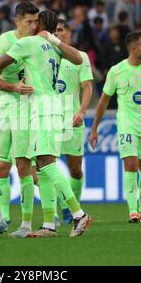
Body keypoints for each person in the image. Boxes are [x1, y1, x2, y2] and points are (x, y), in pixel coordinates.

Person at [0, 10, 92, 238]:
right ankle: (48, 225)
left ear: (39, 25)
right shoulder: (53, 45)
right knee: (44, 167)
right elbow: (79, 58)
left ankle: (78, 214)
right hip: (52, 107)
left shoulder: (28, 43)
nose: (32, 24)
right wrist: (54, 39)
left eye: (35, 21)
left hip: (42, 108)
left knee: (46, 163)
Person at [89, 32, 141, 223]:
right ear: (134, 49)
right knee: (130, 164)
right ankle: (132, 210)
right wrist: (94, 128)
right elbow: (103, 101)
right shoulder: (117, 71)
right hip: (127, 124)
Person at [0, 2, 38, 238]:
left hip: (27, 108)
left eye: (35, 21)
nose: (33, 26)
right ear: (17, 21)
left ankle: (26, 225)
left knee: (24, 165)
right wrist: (15, 86)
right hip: (1, 106)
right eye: (28, 22)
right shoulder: (2, 42)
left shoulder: (38, 42)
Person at [53, 19, 93, 224]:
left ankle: (73, 208)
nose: (58, 34)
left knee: (75, 170)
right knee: (44, 167)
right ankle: (63, 209)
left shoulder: (80, 57)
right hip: (48, 118)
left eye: (61, 30)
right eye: (55, 31)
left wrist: (82, 111)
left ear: (69, 33)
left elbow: (87, 87)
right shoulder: (45, 56)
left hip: (72, 119)